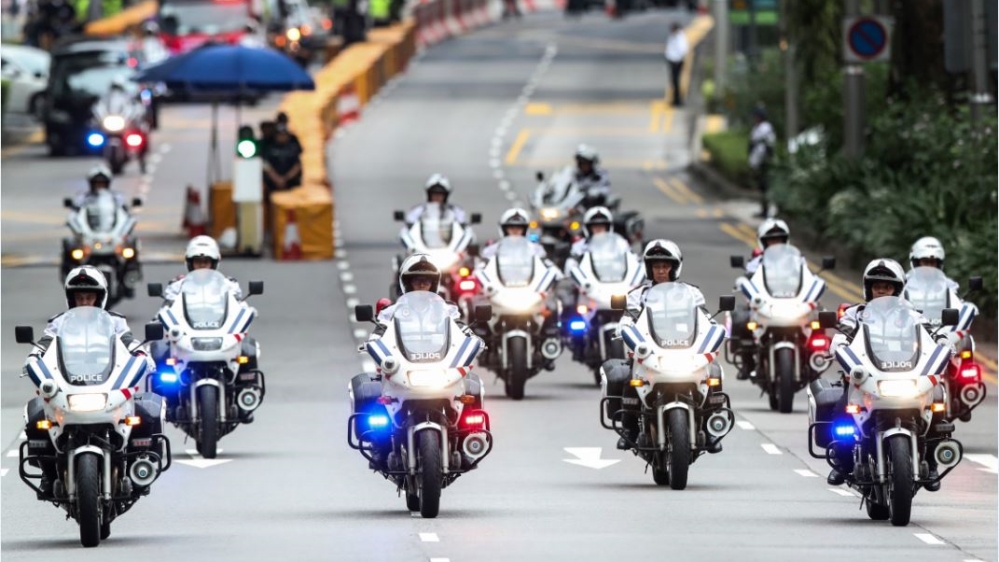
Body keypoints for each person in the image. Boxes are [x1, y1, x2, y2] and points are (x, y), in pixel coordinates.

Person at [22, 266, 153, 498]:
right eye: (79, 297)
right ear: (71, 299)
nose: (84, 302)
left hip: (106, 385)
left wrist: (144, 357)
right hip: (69, 386)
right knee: (35, 417)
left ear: (99, 298)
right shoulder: (58, 324)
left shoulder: (115, 323)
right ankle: (49, 474)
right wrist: (33, 362)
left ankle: (139, 468)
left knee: (144, 414)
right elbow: (39, 350)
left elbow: (133, 346)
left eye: (89, 297)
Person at [825, 258, 948, 490]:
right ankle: (842, 461)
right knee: (842, 411)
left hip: (906, 374)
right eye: (877, 285)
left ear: (896, 289)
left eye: (887, 286)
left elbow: (931, 336)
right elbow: (841, 336)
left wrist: (942, 341)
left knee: (938, 401)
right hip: (867, 378)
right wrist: (838, 345)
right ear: (868, 288)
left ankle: (931, 462)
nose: (882, 290)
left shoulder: (911, 315)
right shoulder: (855, 315)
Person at [604, 240, 718, 452]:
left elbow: (705, 318)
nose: (661, 271)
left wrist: (713, 328)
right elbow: (627, 320)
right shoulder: (638, 295)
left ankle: (711, 427)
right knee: (627, 377)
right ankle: (630, 428)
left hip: (685, 349)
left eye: (665, 266)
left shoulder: (691, 293)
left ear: (674, 268)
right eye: (656, 266)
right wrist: (624, 330)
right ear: (649, 269)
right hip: (650, 352)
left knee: (715, 372)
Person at [162, 236, 243, 304]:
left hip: (221, 322)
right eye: (198, 261)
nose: (202, 265)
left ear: (213, 263)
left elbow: (240, 309)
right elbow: (165, 312)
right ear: (190, 263)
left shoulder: (228, 286)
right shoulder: (177, 287)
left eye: (206, 261)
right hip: (184, 322)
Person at [480, 208, 549, 260]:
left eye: (519, 228)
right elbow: (480, 270)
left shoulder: (536, 250)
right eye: (511, 227)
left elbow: (551, 270)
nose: (515, 231)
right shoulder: (492, 250)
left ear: (525, 230)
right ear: (504, 229)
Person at [404, 174, 470, 226]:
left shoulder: (456, 211)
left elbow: (465, 229)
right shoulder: (417, 211)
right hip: (422, 242)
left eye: (440, 194)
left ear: (446, 196)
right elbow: (407, 229)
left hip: (449, 242)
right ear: (429, 195)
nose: (437, 197)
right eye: (434, 194)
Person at [748, 105, 776, 218]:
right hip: (759, 162)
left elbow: (767, 146)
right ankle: (763, 210)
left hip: (764, 162)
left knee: (765, 187)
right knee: (761, 187)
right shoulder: (758, 128)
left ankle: (766, 211)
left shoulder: (765, 128)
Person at [262, 122, 303, 196]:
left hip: (291, 182)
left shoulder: (293, 147)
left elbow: (297, 165)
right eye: (279, 135)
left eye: (284, 134)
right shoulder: (269, 146)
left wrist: (286, 178)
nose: (281, 137)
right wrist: (277, 179)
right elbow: (266, 165)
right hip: (272, 182)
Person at [664, 22, 688, 107]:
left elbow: (683, 49)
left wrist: (678, 59)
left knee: (676, 81)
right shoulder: (672, 36)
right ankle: (675, 99)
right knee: (673, 81)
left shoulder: (680, 37)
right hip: (672, 60)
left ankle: (678, 100)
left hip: (677, 61)